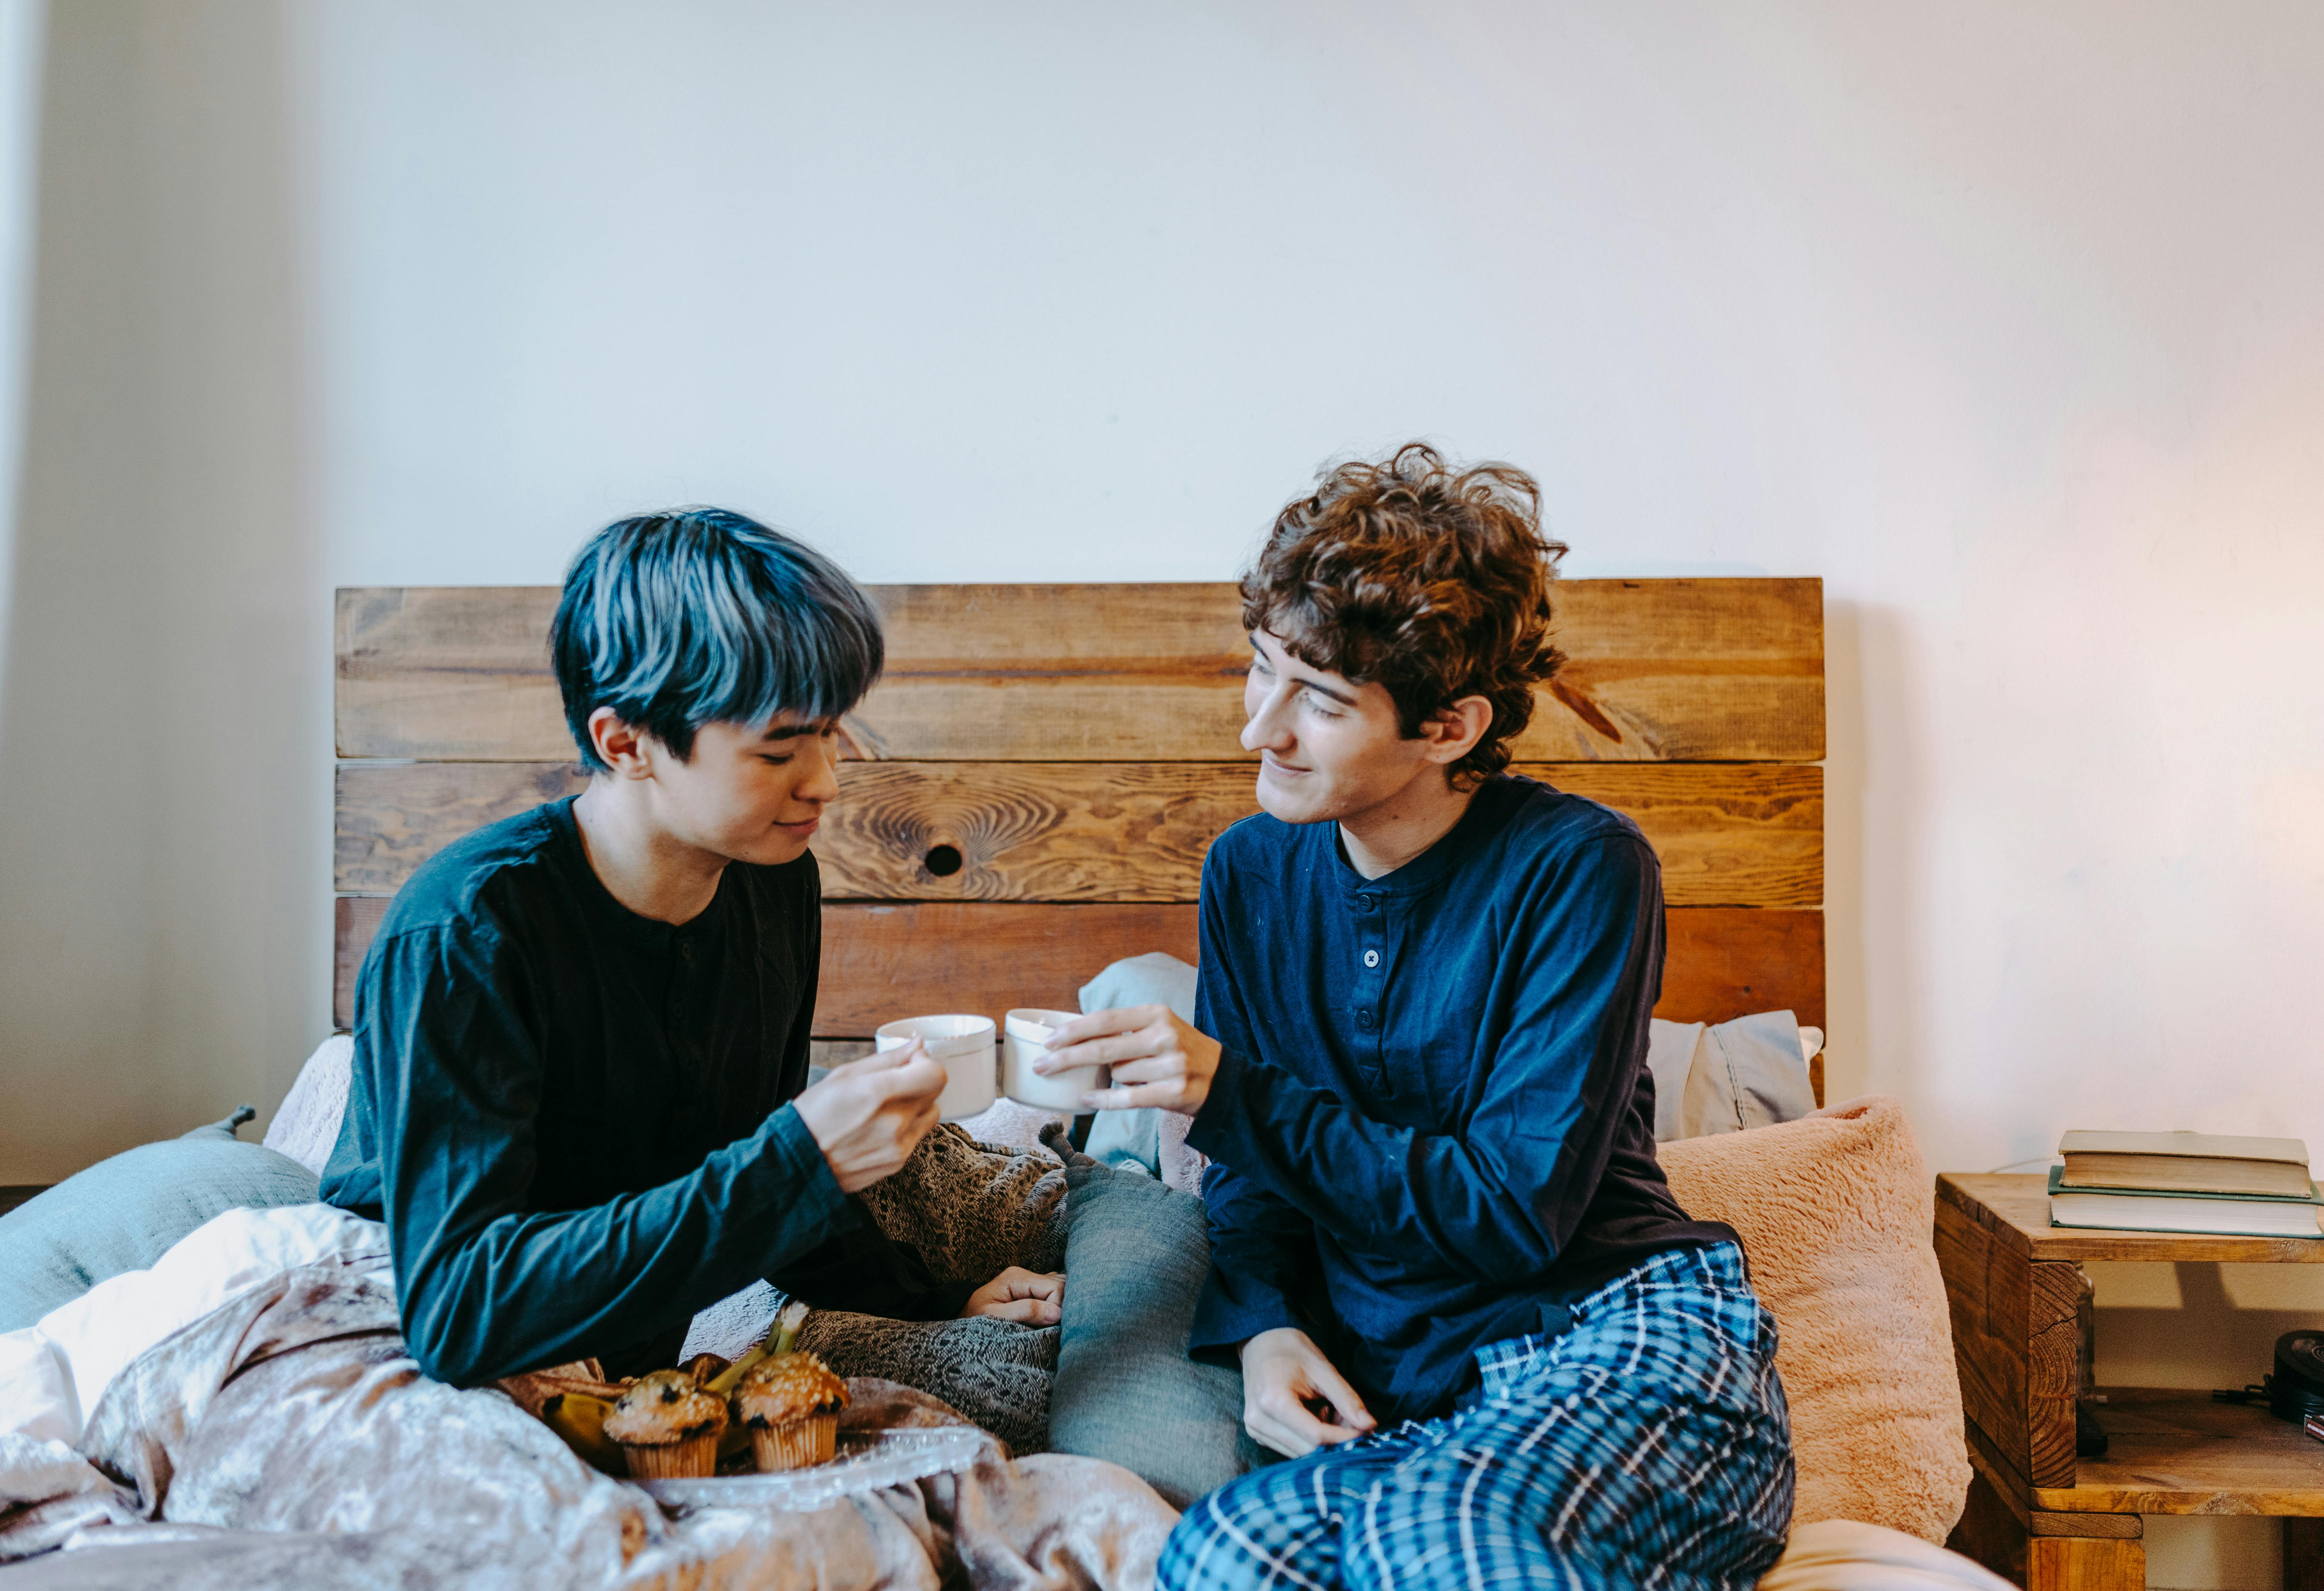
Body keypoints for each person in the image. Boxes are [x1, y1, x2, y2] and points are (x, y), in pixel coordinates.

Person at [1035, 446, 1795, 1590]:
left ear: (1447, 728)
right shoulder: (1249, 873)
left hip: (1620, 1342)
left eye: (1321, 702)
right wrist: (1261, 1330)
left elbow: (1510, 1214)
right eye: (1261, 672)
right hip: (1420, 1400)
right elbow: (1250, 1187)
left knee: (1441, 1535)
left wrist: (1224, 1090)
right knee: (1222, 1555)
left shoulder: (1582, 870)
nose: (1261, 731)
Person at [320, 508, 1063, 1388]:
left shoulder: (774, 881)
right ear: (626, 743)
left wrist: (937, 1301)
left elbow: (748, 1160)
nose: (825, 781)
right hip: (399, 1349)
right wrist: (797, 1163)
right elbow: (457, 1312)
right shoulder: (464, 936)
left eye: (830, 733)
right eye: (779, 749)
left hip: (629, 1374)